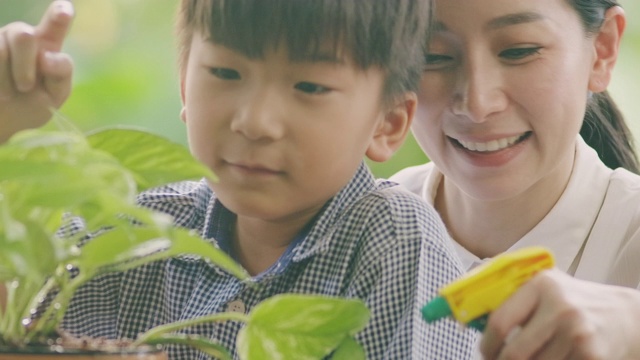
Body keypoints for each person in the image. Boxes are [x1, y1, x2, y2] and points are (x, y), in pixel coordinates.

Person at [0, 0, 478, 359]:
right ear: (186, 84)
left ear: (388, 124)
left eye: (309, 87)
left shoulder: (391, 239)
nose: (255, 122)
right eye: (226, 72)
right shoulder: (132, 230)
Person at [391, 0, 640, 358]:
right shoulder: (348, 232)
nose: (477, 104)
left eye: (518, 51)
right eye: (433, 55)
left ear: (602, 50)